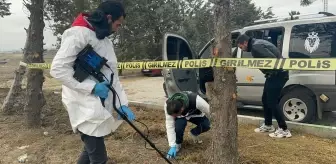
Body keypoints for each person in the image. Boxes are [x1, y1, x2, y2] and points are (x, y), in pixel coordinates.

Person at [49, 1, 135, 163]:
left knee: (90, 151)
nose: (118, 28)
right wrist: (91, 87)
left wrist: (122, 103)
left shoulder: (105, 41)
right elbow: (58, 69)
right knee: (99, 157)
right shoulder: (78, 34)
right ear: (109, 18)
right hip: (83, 104)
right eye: (118, 24)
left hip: (96, 104)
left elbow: (112, 75)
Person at [236, 34, 292, 138]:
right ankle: (268, 125)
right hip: (273, 75)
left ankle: (284, 129)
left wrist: (270, 73)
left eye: (241, 47)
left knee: (272, 101)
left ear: (245, 43)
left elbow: (272, 61)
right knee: (265, 99)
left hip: (277, 74)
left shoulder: (256, 46)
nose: (242, 50)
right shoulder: (257, 43)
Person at [164, 91, 211, 159]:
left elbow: (210, 111)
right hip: (181, 117)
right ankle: (178, 144)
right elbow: (170, 125)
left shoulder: (197, 100)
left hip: (194, 114)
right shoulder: (168, 105)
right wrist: (172, 145)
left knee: (207, 125)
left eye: (175, 116)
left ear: (182, 109)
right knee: (178, 128)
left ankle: (194, 132)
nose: (173, 117)